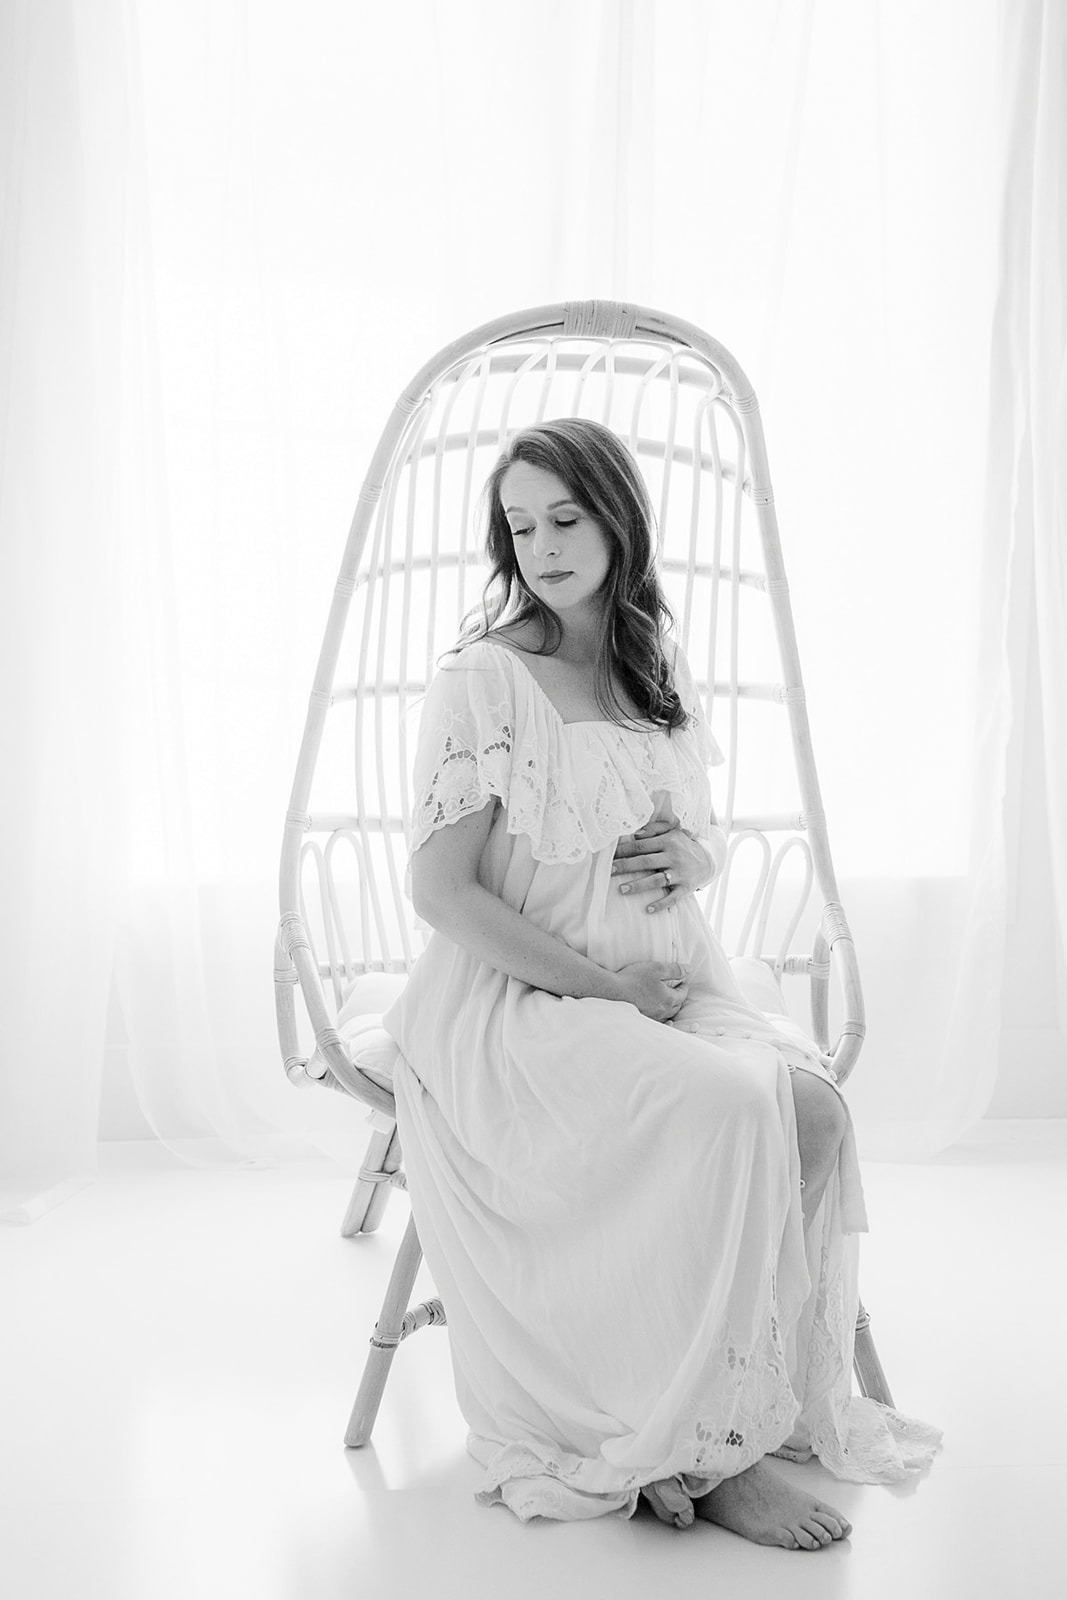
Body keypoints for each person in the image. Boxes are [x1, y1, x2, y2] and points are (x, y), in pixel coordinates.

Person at [381, 417, 939, 1545]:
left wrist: (694, 857)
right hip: (521, 1004)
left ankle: (734, 1393)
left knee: (815, 1115)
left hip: (667, 983)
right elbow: (442, 893)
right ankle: (698, 1453)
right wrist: (603, 989)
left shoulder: (648, 665)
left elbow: (688, 830)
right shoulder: (483, 679)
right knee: (736, 1108)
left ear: (616, 516)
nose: (539, 545)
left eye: (564, 517)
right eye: (519, 524)